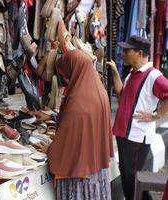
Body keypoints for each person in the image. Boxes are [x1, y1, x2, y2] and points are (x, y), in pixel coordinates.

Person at [38, 49, 113, 200]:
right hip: (96, 169)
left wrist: (51, 150)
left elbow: (68, 144)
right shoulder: (99, 90)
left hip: (79, 176)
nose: (65, 79)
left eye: (66, 74)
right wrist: (54, 117)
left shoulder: (78, 101)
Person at [106, 35, 168, 200]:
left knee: (134, 181)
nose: (124, 53)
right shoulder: (132, 74)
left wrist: (157, 115)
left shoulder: (153, 76)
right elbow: (121, 94)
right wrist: (114, 72)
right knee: (128, 180)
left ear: (140, 53)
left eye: (128, 50)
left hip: (137, 136)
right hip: (124, 133)